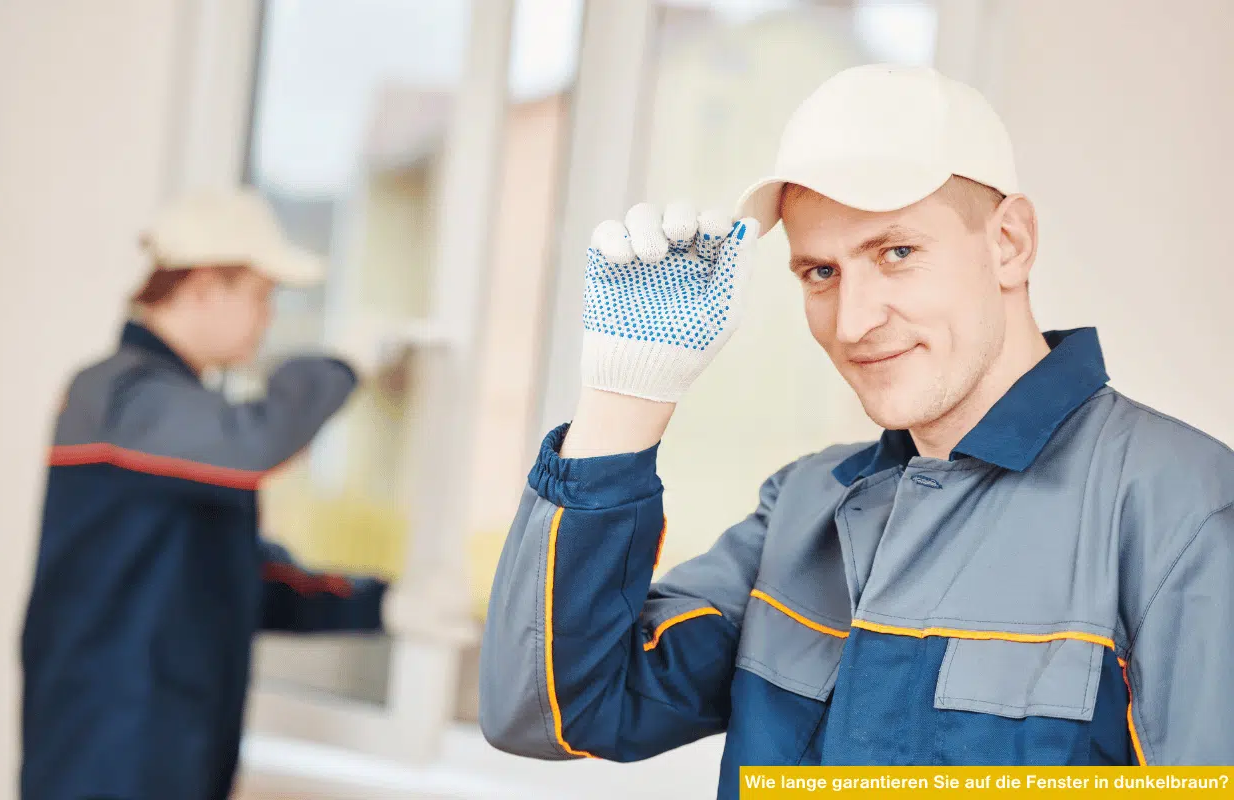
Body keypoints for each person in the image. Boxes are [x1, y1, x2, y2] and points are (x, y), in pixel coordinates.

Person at [478, 64, 1234, 794]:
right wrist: (624, 398)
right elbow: (550, 712)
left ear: (1009, 242)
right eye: (821, 272)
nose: (852, 322)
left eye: (897, 253)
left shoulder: (1182, 509)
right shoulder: (802, 508)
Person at [20, 188, 395, 800]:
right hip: (105, 762)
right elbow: (260, 442)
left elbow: (234, 576)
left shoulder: (182, 421)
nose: (268, 317)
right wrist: (342, 366)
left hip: (168, 757)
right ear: (201, 288)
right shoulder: (118, 397)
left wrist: (379, 604)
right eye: (260, 295)